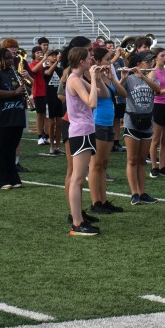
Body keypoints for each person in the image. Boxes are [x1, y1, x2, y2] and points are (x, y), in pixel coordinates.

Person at [64, 47, 101, 235]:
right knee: (77, 179)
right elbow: (92, 102)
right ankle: (77, 223)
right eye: (88, 58)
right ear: (81, 61)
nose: (91, 61)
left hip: (84, 131)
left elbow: (102, 93)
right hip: (81, 132)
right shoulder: (74, 80)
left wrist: (98, 77)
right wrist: (92, 78)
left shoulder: (77, 78)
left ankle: (78, 220)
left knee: (78, 179)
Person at [88, 46, 125, 213]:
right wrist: (97, 77)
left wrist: (112, 78)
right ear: (98, 61)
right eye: (107, 59)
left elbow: (122, 93)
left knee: (103, 164)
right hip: (98, 122)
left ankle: (103, 200)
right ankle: (96, 202)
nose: (110, 62)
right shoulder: (93, 77)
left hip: (108, 123)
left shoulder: (107, 76)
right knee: (96, 165)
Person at [0, 47, 26, 189]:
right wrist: (15, 92)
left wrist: (25, 85)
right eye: (7, 58)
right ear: (0, 59)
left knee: (11, 149)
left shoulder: (14, 73)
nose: (10, 60)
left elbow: (25, 91)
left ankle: (13, 178)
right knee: (0, 149)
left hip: (15, 117)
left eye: (11, 58)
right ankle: (2, 180)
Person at [121, 51, 160, 205]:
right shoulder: (129, 79)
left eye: (151, 61)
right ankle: (134, 193)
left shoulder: (151, 77)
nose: (150, 64)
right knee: (132, 159)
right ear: (138, 64)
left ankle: (142, 192)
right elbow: (118, 90)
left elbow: (157, 90)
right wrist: (124, 76)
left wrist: (144, 76)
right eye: (147, 62)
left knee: (143, 161)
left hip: (147, 121)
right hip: (132, 120)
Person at [148, 48, 165, 179]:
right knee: (156, 140)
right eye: (162, 55)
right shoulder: (152, 74)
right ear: (155, 58)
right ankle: (154, 167)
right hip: (158, 105)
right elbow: (154, 92)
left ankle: (162, 166)